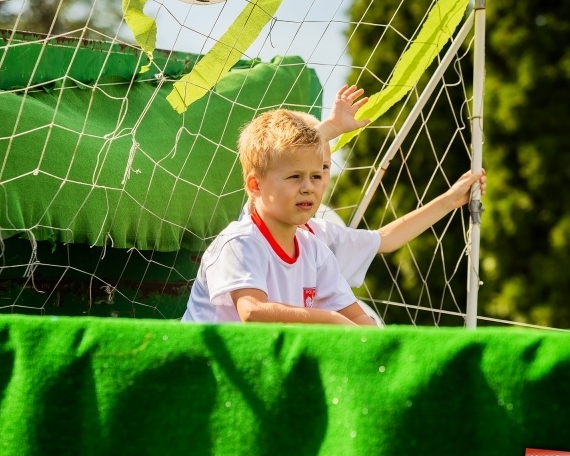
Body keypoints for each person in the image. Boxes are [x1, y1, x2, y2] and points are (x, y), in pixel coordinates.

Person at [241, 84, 488, 288]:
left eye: (322, 170)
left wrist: (450, 200)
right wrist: (328, 129)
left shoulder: (320, 235)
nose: (310, 184)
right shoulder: (251, 230)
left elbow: (385, 239)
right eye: (296, 175)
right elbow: (279, 160)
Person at [181, 108, 377, 326]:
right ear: (255, 185)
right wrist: (331, 318)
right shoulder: (240, 242)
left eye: (316, 176)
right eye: (295, 177)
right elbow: (252, 312)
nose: (308, 188)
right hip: (205, 359)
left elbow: (357, 317)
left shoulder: (315, 250)